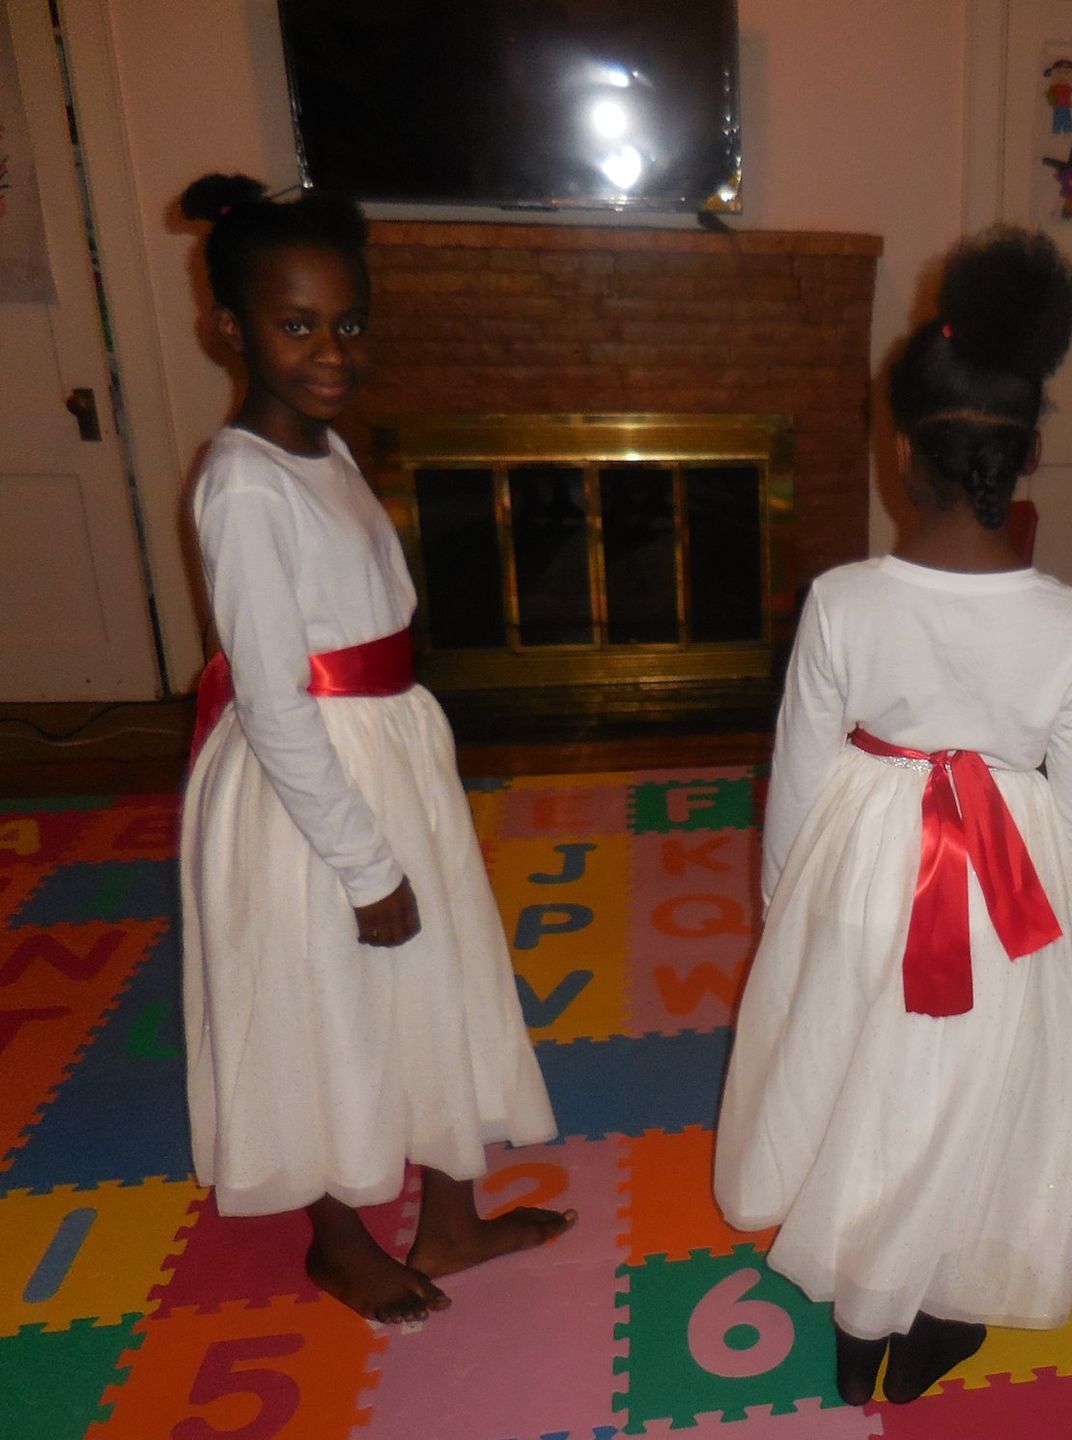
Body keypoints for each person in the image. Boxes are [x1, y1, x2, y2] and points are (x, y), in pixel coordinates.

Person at [714, 228, 1072, 1407]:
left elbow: (796, 775)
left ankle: (859, 1309)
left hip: (864, 875)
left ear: (901, 454)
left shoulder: (841, 601)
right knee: (974, 1091)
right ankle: (936, 1313)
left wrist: (787, 905)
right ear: (1029, 454)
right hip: (1014, 898)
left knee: (863, 1079)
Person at [177, 174, 571, 1325]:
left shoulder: (325, 447)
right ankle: (336, 1237)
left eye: (349, 322)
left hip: (387, 755)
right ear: (231, 330)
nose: (332, 350)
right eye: (297, 326)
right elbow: (273, 696)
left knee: (432, 983)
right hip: (313, 795)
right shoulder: (243, 484)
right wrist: (361, 860)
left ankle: (447, 1222)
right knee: (321, 1006)